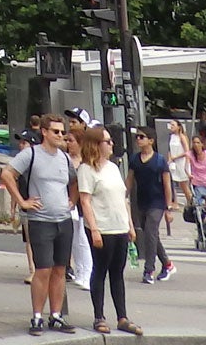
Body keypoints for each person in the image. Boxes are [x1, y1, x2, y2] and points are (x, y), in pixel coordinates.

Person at [2, 113, 76, 336]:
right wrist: (22, 201)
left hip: (63, 220)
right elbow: (7, 173)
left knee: (60, 270)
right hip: (40, 221)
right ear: (44, 132)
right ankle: (37, 316)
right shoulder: (31, 154)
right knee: (42, 270)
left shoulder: (64, 158)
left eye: (62, 132)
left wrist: (72, 201)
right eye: (56, 131)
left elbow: (74, 181)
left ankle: (56, 315)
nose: (60, 135)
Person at [73, 125, 136, 337]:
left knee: (117, 273)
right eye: (107, 141)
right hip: (102, 226)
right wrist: (95, 229)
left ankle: (122, 316)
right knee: (100, 270)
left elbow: (122, 197)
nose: (111, 145)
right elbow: (85, 200)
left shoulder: (113, 167)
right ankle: (99, 315)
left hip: (119, 225)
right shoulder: (86, 170)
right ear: (96, 145)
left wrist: (130, 224)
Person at [123, 127, 172, 284]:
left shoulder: (159, 160)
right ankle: (167, 264)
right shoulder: (135, 159)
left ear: (151, 140)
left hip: (157, 202)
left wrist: (169, 207)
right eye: (137, 137)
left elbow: (167, 184)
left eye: (142, 137)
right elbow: (129, 180)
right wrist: (122, 195)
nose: (138, 139)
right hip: (141, 202)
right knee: (150, 234)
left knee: (151, 231)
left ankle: (148, 269)